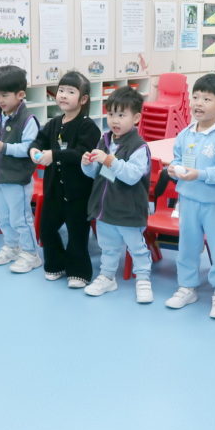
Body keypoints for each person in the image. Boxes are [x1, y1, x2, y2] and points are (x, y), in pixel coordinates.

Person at [164, 73, 215, 319]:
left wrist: (200, 174)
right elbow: (177, 158)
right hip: (188, 200)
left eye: (206, 99)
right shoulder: (185, 134)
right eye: (195, 97)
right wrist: (174, 168)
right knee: (187, 246)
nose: (198, 103)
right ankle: (187, 286)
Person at [29, 71, 101, 288]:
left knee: (77, 233)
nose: (63, 95)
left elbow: (80, 153)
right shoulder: (54, 123)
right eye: (61, 90)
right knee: (47, 229)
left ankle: (79, 271)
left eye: (70, 92)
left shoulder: (88, 126)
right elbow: (39, 140)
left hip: (78, 192)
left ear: (83, 99)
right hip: (53, 190)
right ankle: (56, 264)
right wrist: (34, 150)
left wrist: (54, 155)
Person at [81, 86, 153, 303]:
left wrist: (109, 160)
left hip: (129, 210)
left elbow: (131, 176)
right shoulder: (105, 140)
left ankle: (143, 279)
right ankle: (107, 276)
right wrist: (87, 164)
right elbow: (96, 174)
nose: (115, 120)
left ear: (136, 118)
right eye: (111, 114)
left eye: (122, 115)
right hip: (105, 209)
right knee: (108, 247)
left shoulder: (139, 147)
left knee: (137, 248)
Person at [0, 65, 42, 273]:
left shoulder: (28, 119)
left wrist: (4, 147)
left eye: (5, 95)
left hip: (17, 179)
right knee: (2, 217)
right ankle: (11, 247)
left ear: (20, 95)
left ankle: (31, 254)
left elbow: (29, 148)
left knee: (20, 219)